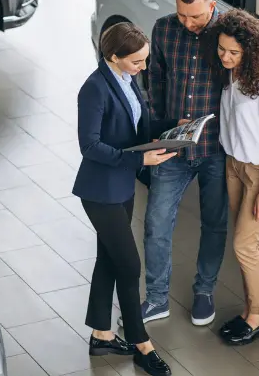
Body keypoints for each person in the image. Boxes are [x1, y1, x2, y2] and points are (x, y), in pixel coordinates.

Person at [127, 0, 259, 329]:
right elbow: (154, 78)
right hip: (173, 145)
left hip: (218, 150)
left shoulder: (227, 35)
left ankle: (205, 292)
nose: (188, 22)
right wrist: (163, 122)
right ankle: (155, 299)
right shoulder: (164, 30)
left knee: (215, 225)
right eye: (182, 14)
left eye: (196, 16)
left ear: (211, 7)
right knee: (155, 223)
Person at [73, 22, 187, 376]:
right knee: (129, 265)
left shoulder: (127, 79)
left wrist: (174, 124)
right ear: (114, 57)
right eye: (137, 61)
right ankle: (142, 344)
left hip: (121, 187)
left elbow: (139, 125)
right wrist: (139, 159)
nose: (143, 67)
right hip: (100, 192)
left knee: (108, 259)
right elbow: (89, 146)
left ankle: (101, 335)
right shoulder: (94, 89)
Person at [200, 8, 259, 345]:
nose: (225, 56)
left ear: (250, 51)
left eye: (234, 52)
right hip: (233, 164)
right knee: (246, 242)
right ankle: (252, 308)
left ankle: (257, 316)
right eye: (221, 49)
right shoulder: (229, 73)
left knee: (243, 244)